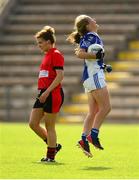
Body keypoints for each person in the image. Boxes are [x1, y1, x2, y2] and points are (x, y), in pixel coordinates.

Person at [67, 15, 111, 157]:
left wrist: (103, 65)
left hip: (89, 77)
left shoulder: (90, 36)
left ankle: (83, 139)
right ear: (87, 25)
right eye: (92, 20)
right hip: (94, 77)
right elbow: (80, 54)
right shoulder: (92, 35)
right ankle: (93, 135)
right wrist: (97, 57)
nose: (95, 20)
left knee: (93, 111)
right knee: (106, 108)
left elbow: (91, 58)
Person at [29, 25, 64, 162]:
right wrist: (43, 92)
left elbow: (60, 76)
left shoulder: (56, 54)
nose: (39, 45)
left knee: (50, 126)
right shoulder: (47, 55)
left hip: (52, 93)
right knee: (33, 123)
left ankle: (50, 156)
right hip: (43, 92)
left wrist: (47, 92)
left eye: (41, 42)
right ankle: (53, 146)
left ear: (49, 42)